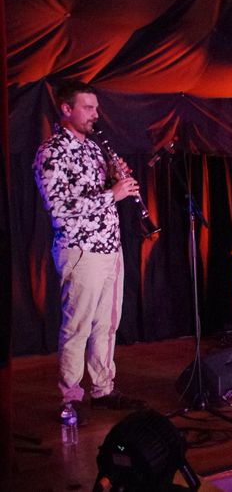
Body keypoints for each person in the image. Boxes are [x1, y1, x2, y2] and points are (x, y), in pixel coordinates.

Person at [33, 81, 145, 424]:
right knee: (77, 327)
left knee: (107, 325)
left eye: (96, 108)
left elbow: (99, 195)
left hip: (110, 248)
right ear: (66, 109)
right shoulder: (51, 152)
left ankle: (103, 389)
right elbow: (60, 210)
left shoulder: (94, 149)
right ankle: (69, 399)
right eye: (88, 107)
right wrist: (113, 194)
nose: (95, 114)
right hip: (81, 250)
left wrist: (115, 178)